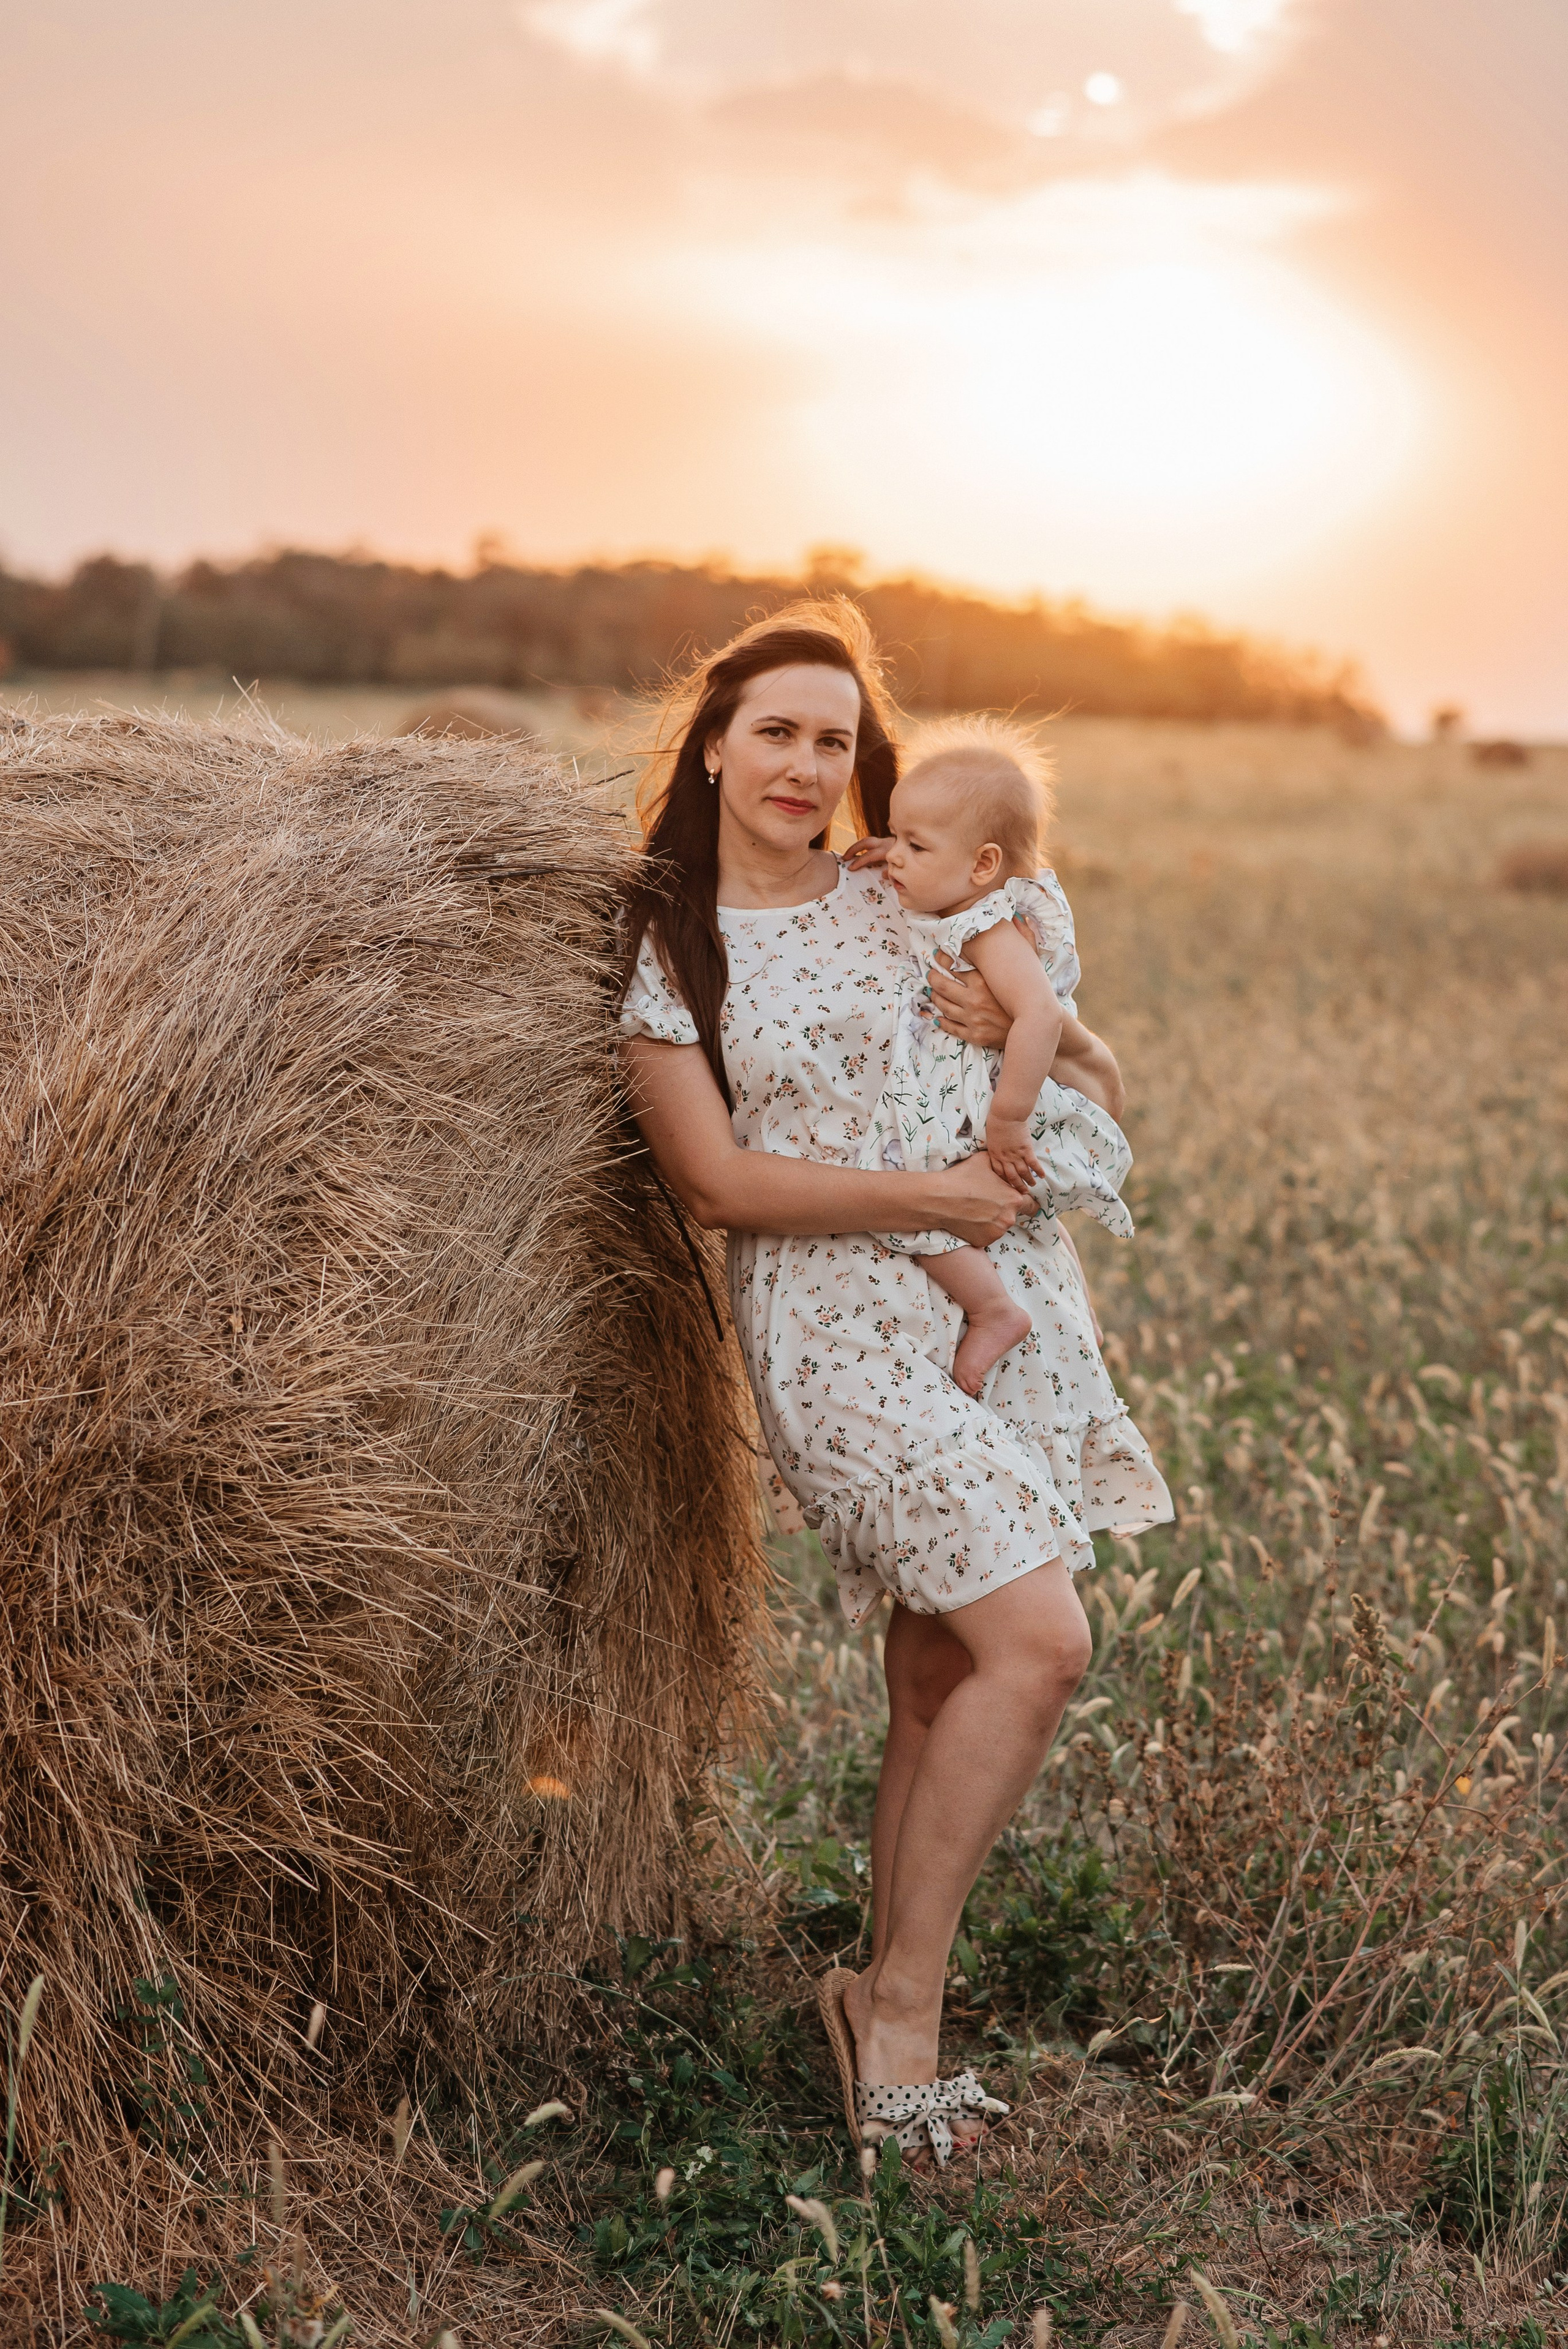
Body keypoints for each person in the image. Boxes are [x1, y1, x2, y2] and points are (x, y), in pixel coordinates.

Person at [617, 601, 1172, 2166]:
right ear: (714, 743)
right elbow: (718, 1182)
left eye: (835, 739)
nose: (805, 764)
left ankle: (874, 1995)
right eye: (776, 731)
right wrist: (933, 1202)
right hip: (839, 1328)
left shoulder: (905, 889)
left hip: (999, 1306)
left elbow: (1092, 1072)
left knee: (940, 1670)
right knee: (1038, 1641)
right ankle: (901, 2012)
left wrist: (1033, 1043)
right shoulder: (671, 945)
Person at [856, 722, 1135, 1398]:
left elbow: (1040, 1014)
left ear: (982, 866)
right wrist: (888, 855)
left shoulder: (987, 926)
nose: (895, 856)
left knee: (901, 1184)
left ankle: (993, 1309)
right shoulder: (949, 900)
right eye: (894, 835)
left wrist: (1007, 1122)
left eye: (914, 845)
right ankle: (990, 1303)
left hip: (985, 1104)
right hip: (954, 1091)